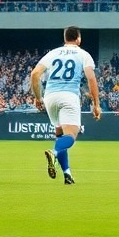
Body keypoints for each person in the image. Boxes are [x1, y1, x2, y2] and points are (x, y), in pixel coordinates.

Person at [30, 25, 101, 185]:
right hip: (68, 96)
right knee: (71, 136)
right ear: (78, 38)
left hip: (50, 96)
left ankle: (67, 174)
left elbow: (35, 74)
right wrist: (96, 104)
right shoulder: (83, 54)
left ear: (65, 38)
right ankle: (53, 152)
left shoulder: (52, 53)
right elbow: (91, 78)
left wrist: (37, 97)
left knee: (60, 135)